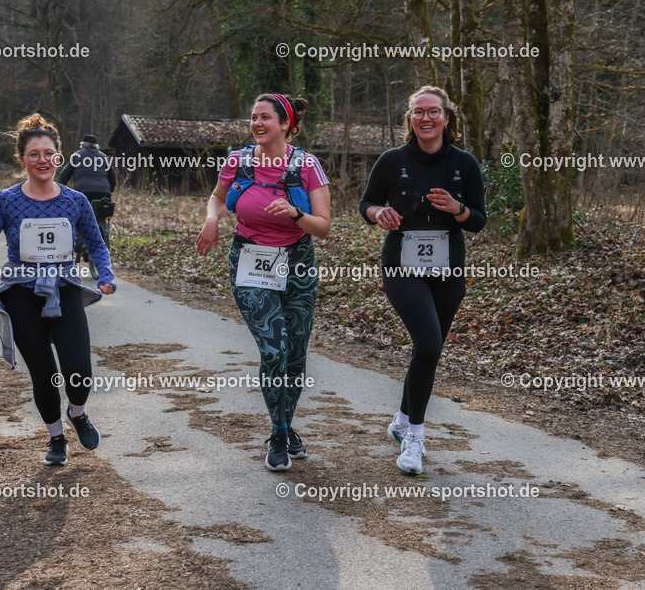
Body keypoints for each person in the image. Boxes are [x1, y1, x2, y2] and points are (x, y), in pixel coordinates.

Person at [0, 114, 116, 466]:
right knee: (44, 374)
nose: (43, 160)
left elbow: (97, 245)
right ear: (22, 159)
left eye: (49, 153)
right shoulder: (6, 200)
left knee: (79, 370)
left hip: (63, 290)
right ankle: (56, 439)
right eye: (34, 154)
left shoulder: (76, 201)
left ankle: (77, 413)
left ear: (58, 157)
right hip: (21, 295)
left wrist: (106, 273)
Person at [196, 94, 331, 471]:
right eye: (253, 117)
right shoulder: (238, 161)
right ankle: (277, 432)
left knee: (296, 353)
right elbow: (217, 198)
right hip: (251, 261)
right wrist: (212, 219)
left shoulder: (307, 166)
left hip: (298, 263)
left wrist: (294, 212)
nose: (257, 123)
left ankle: (287, 425)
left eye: (265, 117)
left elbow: (323, 227)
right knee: (274, 350)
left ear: (285, 124)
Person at [359, 86, 487, 475]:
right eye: (418, 112)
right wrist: (379, 212)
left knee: (428, 351)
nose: (426, 119)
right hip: (402, 264)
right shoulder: (391, 159)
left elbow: (479, 221)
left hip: (449, 267)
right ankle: (415, 436)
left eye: (433, 112)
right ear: (410, 119)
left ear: (447, 119)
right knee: (428, 344)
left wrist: (458, 209)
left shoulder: (464, 163)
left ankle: (400, 419)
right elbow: (365, 204)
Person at [57, 134, 116, 257]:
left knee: (79, 216)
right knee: (100, 216)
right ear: (96, 146)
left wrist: (59, 189)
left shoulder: (77, 156)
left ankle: (81, 242)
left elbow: (63, 176)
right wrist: (110, 190)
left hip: (84, 192)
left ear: (83, 145)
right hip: (104, 193)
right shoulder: (104, 157)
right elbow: (113, 177)